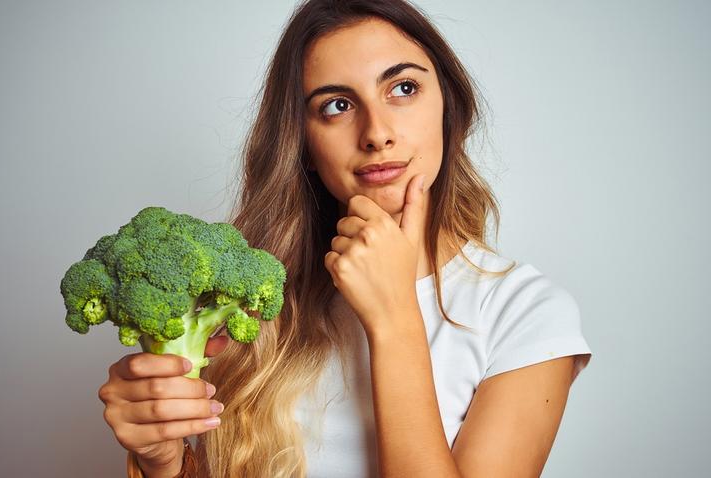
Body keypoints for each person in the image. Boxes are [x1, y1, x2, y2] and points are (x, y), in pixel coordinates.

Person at [98, 1, 593, 477]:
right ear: (304, 145)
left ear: (448, 109)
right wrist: (163, 462)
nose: (376, 133)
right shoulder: (244, 308)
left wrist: (395, 317)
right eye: (336, 105)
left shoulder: (526, 312)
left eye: (402, 88)